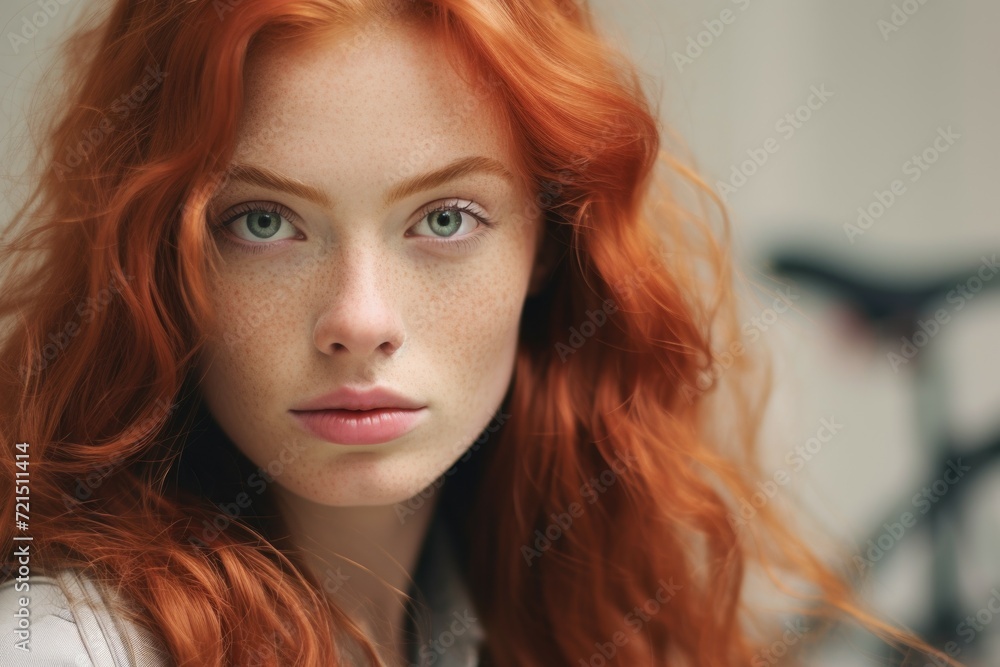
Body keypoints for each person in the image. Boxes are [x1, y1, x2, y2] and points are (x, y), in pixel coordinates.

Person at [0, 0, 965, 665]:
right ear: (160, 261)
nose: (360, 320)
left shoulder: (538, 605)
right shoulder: (66, 646)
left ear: (548, 246)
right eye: (264, 221)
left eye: (445, 218)